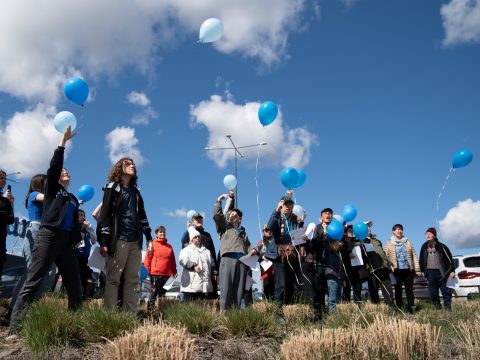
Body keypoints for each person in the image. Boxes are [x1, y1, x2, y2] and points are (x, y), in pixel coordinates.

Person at [9, 127, 83, 336]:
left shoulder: (73, 199)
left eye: (67, 170)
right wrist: (62, 143)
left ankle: (74, 325)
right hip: (49, 236)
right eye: (63, 171)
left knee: (74, 286)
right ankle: (15, 328)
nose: (65, 171)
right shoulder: (52, 190)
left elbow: (75, 224)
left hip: (66, 243)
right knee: (33, 280)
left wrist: (77, 237)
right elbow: (55, 166)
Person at [97, 157, 153, 312]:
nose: (133, 165)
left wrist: (149, 237)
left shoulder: (135, 193)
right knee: (113, 279)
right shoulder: (111, 188)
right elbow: (105, 216)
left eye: (133, 163)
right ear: (119, 168)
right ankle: (109, 315)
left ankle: (130, 316)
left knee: (133, 280)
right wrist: (104, 241)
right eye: (128, 164)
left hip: (135, 241)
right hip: (118, 240)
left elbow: (142, 216)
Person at [8, 175, 56, 317]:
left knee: (45, 273)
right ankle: (14, 311)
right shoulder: (34, 194)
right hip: (36, 230)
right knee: (31, 272)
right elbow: (48, 197)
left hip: (45, 231)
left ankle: (31, 310)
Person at [214, 191, 252, 311]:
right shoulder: (224, 227)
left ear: (240, 219)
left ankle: (234, 316)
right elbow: (217, 216)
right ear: (229, 217)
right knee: (226, 289)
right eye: (233, 214)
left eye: (238, 215)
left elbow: (248, 246)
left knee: (238, 290)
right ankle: (224, 315)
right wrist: (219, 201)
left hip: (241, 262)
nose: (235, 216)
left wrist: (254, 251)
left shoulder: (243, 232)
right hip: (227, 259)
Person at [265, 195, 301, 308]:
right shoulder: (278, 217)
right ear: (281, 205)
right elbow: (270, 226)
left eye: (290, 205)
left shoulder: (295, 220)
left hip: (291, 254)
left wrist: (302, 237)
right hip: (278, 255)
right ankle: (278, 312)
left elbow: (298, 237)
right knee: (280, 284)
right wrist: (276, 209)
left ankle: (289, 309)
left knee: (291, 284)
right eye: (285, 204)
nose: (287, 207)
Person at [301, 207, 333, 318]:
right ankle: (319, 314)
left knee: (330, 290)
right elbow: (312, 244)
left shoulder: (335, 229)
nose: (328, 215)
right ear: (321, 217)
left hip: (331, 264)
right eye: (325, 213)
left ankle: (329, 313)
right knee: (319, 289)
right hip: (319, 263)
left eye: (330, 213)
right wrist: (323, 233)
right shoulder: (316, 228)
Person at [385, 224, 421, 313]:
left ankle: (411, 309)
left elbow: (414, 256)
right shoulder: (389, 243)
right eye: (397, 229)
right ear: (393, 231)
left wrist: (417, 269)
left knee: (409, 290)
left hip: (408, 270)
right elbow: (385, 257)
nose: (399, 231)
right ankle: (399, 308)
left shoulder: (407, 242)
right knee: (398, 290)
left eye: (401, 229)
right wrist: (390, 267)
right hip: (396, 271)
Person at [181, 212, 218, 299]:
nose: (199, 220)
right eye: (196, 219)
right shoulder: (188, 234)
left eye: (200, 218)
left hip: (208, 270)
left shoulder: (207, 235)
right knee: (193, 296)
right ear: (192, 222)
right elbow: (184, 251)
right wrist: (192, 265)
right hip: (195, 271)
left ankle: (211, 312)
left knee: (211, 295)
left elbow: (212, 252)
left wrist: (215, 270)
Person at [419, 227, 455, 311]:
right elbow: (421, 259)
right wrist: (422, 270)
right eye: (426, 234)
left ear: (434, 235)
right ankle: (438, 309)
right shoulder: (424, 247)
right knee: (433, 293)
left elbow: (449, 259)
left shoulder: (442, 246)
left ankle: (448, 310)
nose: (427, 235)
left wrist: (452, 271)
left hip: (441, 272)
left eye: (430, 234)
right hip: (430, 273)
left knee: (446, 292)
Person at [362, 221, 395, 308]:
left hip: (383, 268)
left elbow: (383, 253)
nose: (368, 228)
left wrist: (389, 264)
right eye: (366, 226)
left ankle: (391, 308)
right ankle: (375, 309)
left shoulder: (377, 241)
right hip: (372, 270)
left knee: (388, 290)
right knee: (373, 291)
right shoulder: (361, 241)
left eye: (369, 226)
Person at [144, 226, 176, 311]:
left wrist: (174, 271)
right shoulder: (152, 245)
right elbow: (148, 258)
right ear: (156, 234)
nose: (162, 234)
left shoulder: (169, 247)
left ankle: (161, 311)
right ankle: (150, 312)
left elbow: (172, 260)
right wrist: (147, 271)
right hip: (155, 274)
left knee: (162, 294)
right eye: (160, 232)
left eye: (164, 232)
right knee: (154, 293)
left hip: (167, 275)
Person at [179, 227, 213, 301]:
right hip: (190, 287)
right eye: (195, 237)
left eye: (198, 237)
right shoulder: (186, 250)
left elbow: (212, 264)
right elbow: (182, 260)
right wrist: (193, 265)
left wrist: (214, 271)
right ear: (191, 239)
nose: (197, 238)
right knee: (188, 308)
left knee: (201, 309)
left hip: (204, 287)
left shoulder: (207, 251)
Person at [75, 209, 97, 298]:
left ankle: (86, 296)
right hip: (74, 258)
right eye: (80, 215)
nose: (83, 217)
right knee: (76, 278)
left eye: (83, 215)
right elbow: (74, 243)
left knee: (89, 279)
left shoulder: (87, 231)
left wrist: (90, 228)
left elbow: (94, 240)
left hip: (84, 260)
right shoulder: (74, 229)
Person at [0, 169, 14, 284]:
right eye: (1, 177)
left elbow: (10, 220)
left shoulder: (5, 200)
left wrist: (9, 204)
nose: (3, 180)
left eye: (4, 178)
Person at [324, 238, 344, 313]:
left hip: (338, 278)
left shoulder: (338, 254)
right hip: (331, 277)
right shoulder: (328, 251)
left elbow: (341, 268)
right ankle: (332, 316)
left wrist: (343, 279)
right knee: (332, 299)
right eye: (336, 244)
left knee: (339, 299)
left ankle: (338, 315)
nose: (338, 245)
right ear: (331, 244)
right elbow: (326, 242)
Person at [255, 224, 275, 300]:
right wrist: (261, 256)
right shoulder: (260, 243)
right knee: (266, 288)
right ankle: (267, 306)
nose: (269, 232)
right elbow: (255, 256)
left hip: (275, 269)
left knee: (277, 288)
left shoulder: (276, 241)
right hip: (265, 270)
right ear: (263, 231)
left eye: (270, 230)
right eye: (267, 230)